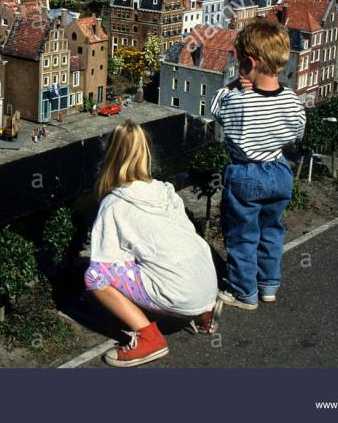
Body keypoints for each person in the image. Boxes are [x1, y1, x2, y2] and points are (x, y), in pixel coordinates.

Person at [85, 120, 220, 367]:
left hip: (179, 292)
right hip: (208, 281)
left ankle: (149, 339)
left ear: (110, 156)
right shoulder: (166, 190)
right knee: (169, 255)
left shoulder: (114, 204)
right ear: (147, 153)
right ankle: (204, 314)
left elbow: (105, 263)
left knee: (95, 278)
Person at [210, 21, 306, 311]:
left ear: (250, 62)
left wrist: (233, 86)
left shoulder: (239, 101)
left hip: (246, 173)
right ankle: (268, 285)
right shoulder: (291, 100)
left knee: (242, 235)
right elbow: (298, 131)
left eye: (239, 61)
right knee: (271, 230)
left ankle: (244, 292)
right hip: (279, 170)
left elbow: (216, 109)